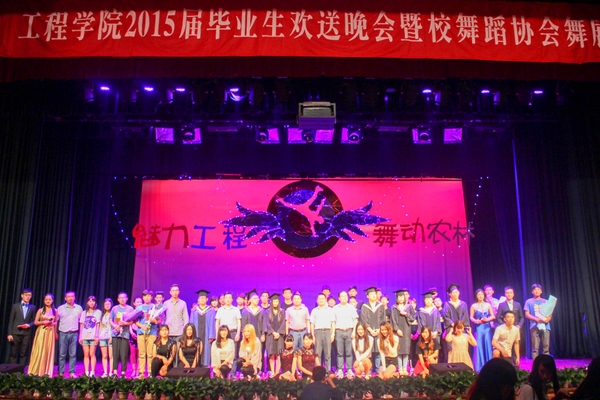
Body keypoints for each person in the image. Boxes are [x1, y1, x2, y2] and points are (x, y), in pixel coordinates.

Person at [28, 294, 57, 377]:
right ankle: (36, 369)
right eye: (46, 299)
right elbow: (35, 322)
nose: (48, 301)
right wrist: (43, 322)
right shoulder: (40, 310)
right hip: (41, 331)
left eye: (49, 299)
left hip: (50, 332)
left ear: (52, 300)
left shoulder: (55, 311)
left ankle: (46, 370)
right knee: (40, 349)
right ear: (44, 301)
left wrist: (55, 333)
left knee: (48, 350)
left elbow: (56, 322)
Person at [7, 288, 37, 366]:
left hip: (26, 333)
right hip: (15, 333)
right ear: (22, 295)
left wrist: (29, 325)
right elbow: (11, 320)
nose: (28, 297)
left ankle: (21, 371)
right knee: (13, 353)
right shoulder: (15, 306)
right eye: (26, 295)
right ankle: (12, 370)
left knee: (23, 353)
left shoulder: (32, 307)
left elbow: (34, 320)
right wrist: (9, 334)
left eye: (29, 295)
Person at [333, 290, 358, 378]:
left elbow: (355, 320)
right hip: (339, 331)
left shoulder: (351, 307)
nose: (344, 298)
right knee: (339, 352)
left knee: (349, 352)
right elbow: (333, 322)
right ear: (339, 298)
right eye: (342, 296)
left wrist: (354, 331)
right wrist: (333, 333)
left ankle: (349, 369)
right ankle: (340, 369)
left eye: (345, 296)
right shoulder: (335, 308)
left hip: (349, 331)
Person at [57, 291, 83, 378]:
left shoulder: (79, 308)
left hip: (74, 333)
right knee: (62, 354)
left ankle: (72, 372)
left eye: (72, 296)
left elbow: (81, 321)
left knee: (73, 354)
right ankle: (61, 372)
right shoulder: (60, 308)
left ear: (74, 298)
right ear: (65, 298)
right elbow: (56, 321)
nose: (70, 298)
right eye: (68, 296)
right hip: (63, 333)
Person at [215, 292, 242, 374]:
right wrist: (217, 334)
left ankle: (232, 373)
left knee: (233, 353)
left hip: (233, 332)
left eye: (229, 298)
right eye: (226, 298)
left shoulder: (236, 309)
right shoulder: (220, 310)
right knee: (223, 353)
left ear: (232, 299)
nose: (227, 299)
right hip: (222, 333)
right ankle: (222, 372)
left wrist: (238, 334)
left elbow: (239, 322)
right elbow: (217, 322)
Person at [524, 283, 553, 359]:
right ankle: (535, 363)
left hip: (545, 326)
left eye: (538, 289)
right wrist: (536, 319)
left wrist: (547, 319)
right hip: (534, 326)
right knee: (535, 348)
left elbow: (550, 314)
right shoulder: (529, 301)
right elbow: (527, 314)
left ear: (541, 291)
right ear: (532, 292)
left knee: (546, 347)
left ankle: (546, 363)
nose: (536, 291)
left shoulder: (545, 301)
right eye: (534, 290)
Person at [135, 290, 160, 379]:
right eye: (145, 296)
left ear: (152, 297)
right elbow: (135, 321)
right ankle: (141, 372)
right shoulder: (139, 308)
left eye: (149, 296)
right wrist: (142, 326)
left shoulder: (155, 307)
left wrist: (153, 320)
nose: (147, 297)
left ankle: (150, 372)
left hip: (152, 332)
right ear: (143, 297)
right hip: (141, 333)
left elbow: (159, 321)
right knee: (142, 353)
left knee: (150, 353)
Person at [390, 289, 415, 376]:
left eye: (402, 297)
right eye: (399, 297)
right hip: (397, 331)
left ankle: (405, 368)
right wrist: (397, 329)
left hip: (406, 330)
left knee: (406, 350)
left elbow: (413, 318)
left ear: (405, 297)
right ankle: (400, 368)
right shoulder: (394, 307)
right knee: (399, 350)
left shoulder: (409, 307)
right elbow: (392, 320)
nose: (400, 298)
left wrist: (406, 314)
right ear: (397, 298)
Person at [360, 286, 385, 371]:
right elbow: (363, 320)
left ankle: (378, 369)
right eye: (371, 294)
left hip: (379, 331)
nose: (374, 295)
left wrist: (379, 329)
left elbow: (383, 319)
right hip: (368, 331)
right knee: (368, 350)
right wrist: (370, 330)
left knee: (378, 350)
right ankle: (369, 369)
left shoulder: (380, 306)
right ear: (367, 296)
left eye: (375, 294)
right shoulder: (364, 306)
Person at [189, 289, 216, 367]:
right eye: (200, 298)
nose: (202, 300)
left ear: (207, 299)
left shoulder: (211, 310)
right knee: (196, 348)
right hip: (196, 334)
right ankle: (196, 365)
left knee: (206, 350)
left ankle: (205, 366)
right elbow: (191, 323)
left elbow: (212, 323)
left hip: (207, 334)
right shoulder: (194, 310)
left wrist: (211, 336)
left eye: (204, 298)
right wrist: (191, 335)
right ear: (198, 299)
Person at [470, 288, 495, 371]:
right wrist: (475, 321)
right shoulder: (473, 306)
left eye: (481, 294)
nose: (480, 296)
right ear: (476, 296)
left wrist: (487, 319)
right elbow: (471, 317)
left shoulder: (488, 305)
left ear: (484, 295)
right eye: (478, 294)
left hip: (487, 327)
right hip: (479, 327)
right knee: (479, 345)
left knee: (488, 344)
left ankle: (489, 365)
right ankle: (479, 366)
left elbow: (493, 316)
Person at [110, 292, 134, 377]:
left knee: (124, 354)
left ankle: (123, 372)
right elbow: (110, 320)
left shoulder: (130, 309)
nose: (122, 299)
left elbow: (132, 321)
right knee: (115, 353)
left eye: (124, 298)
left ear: (127, 299)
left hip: (125, 334)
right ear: (118, 299)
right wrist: (115, 326)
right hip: (115, 334)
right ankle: (115, 372)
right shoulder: (114, 308)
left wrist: (125, 323)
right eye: (120, 298)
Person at [164, 284, 189, 366]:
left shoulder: (183, 303)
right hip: (169, 332)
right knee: (169, 351)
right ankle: (169, 368)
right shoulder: (166, 303)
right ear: (170, 292)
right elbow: (163, 317)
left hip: (179, 331)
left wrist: (185, 330)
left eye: (176, 290)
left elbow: (185, 317)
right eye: (173, 290)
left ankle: (176, 368)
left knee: (178, 351)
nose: (175, 292)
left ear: (179, 292)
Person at [311, 292, 335, 372]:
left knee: (328, 353)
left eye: (323, 299)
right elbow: (312, 324)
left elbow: (333, 322)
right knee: (318, 353)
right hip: (318, 332)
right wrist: (312, 336)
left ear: (325, 300)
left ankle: (328, 371)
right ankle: (318, 372)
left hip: (327, 331)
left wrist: (332, 334)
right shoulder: (314, 311)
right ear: (317, 300)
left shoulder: (330, 310)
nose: (321, 300)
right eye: (319, 299)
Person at [263, 293, 286, 378]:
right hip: (270, 336)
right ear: (271, 302)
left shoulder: (282, 311)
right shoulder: (267, 312)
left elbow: (283, 323)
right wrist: (273, 332)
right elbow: (267, 323)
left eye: (277, 301)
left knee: (279, 354)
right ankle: (272, 372)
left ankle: (277, 373)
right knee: (272, 354)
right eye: (274, 301)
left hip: (279, 336)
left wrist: (279, 333)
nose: (275, 303)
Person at [79, 296, 101, 377]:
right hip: (85, 336)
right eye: (90, 301)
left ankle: (92, 371)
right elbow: (81, 325)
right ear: (87, 302)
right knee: (86, 354)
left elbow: (98, 324)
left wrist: (97, 335)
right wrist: (80, 336)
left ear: (95, 302)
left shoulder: (98, 312)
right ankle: (86, 371)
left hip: (93, 336)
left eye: (93, 301)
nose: (91, 303)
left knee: (92, 353)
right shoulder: (84, 313)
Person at [98, 298, 113, 377]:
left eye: (108, 304)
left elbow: (115, 326)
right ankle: (105, 372)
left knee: (111, 356)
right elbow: (100, 326)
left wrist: (112, 337)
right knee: (104, 356)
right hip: (103, 337)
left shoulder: (113, 314)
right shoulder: (102, 315)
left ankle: (111, 372)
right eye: (105, 304)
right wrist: (98, 336)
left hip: (111, 336)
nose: (107, 306)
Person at [128, 296, 142, 378]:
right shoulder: (132, 312)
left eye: (140, 302)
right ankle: (133, 370)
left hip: (140, 333)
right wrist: (131, 332)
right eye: (137, 302)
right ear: (134, 303)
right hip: (132, 332)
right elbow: (129, 323)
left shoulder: (143, 312)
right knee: (133, 353)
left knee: (140, 353)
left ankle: (138, 370)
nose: (139, 303)